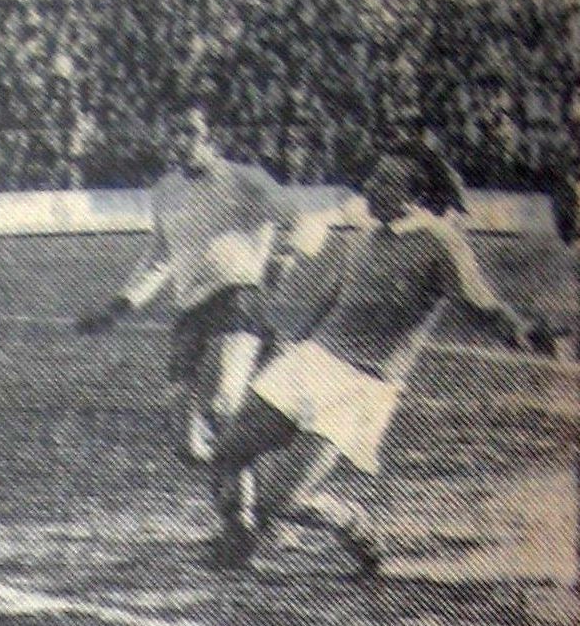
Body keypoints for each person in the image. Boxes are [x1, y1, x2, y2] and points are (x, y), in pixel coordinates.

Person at [208, 139, 555, 572]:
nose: (369, 186)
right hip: (311, 361)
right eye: (373, 176)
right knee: (226, 451)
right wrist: (295, 343)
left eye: (383, 181)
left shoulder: (441, 243)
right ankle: (243, 533)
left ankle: (354, 524)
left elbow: (479, 302)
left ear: (412, 195)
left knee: (285, 496)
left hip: (360, 383)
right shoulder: (370, 236)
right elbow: (334, 297)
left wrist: (520, 330)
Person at [76, 106, 305, 463]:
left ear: (211, 138)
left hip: (238, 297)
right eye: (175, 133)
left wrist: (281, 260)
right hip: (191, 308)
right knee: (188, 441)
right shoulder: (166, 191)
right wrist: (118, 306)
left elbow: (298, 217)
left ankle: (260, 489)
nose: (181, 141)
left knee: (222, 403)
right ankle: (253, 465)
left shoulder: (245, 180)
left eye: (190, 133)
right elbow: (158, 258)